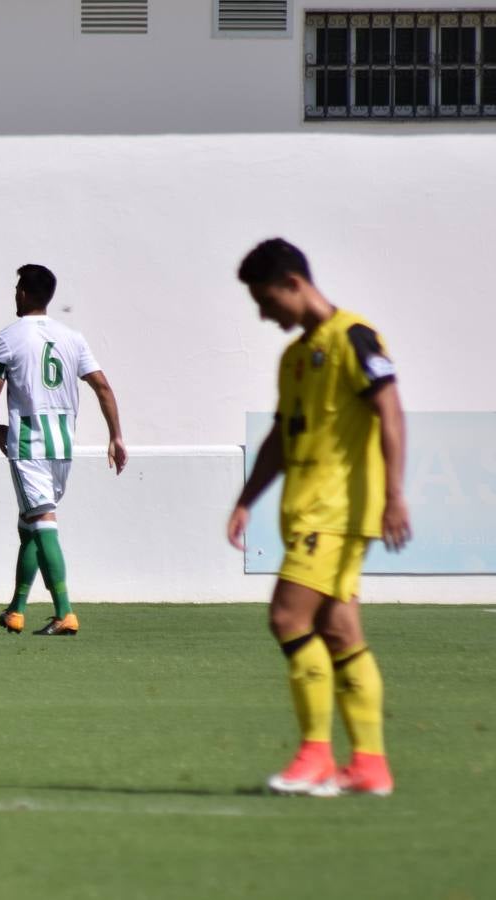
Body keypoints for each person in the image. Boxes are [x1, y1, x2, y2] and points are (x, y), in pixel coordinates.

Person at [229, 238, 409, 797]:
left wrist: (394, 493)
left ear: (292, 283)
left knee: (287, 618)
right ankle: (370, 766)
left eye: (265, 300)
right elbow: (282, 440)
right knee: (338, 631)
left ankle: (314, 756)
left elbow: (389, 409)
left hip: (334, 515)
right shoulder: (293, 358)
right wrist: (246, 499)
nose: (263, 314)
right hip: (306, 513)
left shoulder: (353, 336)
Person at [0, 264, 126, 636]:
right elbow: (103, 387)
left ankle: (65, 612)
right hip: (63, 444)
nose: (15, 294)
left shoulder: (7, 338)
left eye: (17, 289)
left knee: (42, 523)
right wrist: (116, 436)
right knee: (30, 525)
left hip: (28, 443)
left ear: (25, 294)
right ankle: (16, 609)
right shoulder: (72, 338)